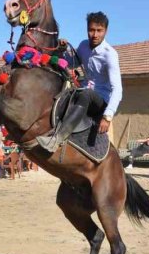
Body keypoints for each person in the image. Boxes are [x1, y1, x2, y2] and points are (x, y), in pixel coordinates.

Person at [39, 11, 122, 153]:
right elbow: (70, 63)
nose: (95, 35)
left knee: (86, 94)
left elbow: (118, 90)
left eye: (99, 31)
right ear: (87, 29)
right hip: (83, 93)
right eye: (91, 30)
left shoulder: (110, 54)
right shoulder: (83, 46)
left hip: (101, 101)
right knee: (65, 94)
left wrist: (107, 117)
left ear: (105, 31)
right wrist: (62, 50)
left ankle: (57, 139)